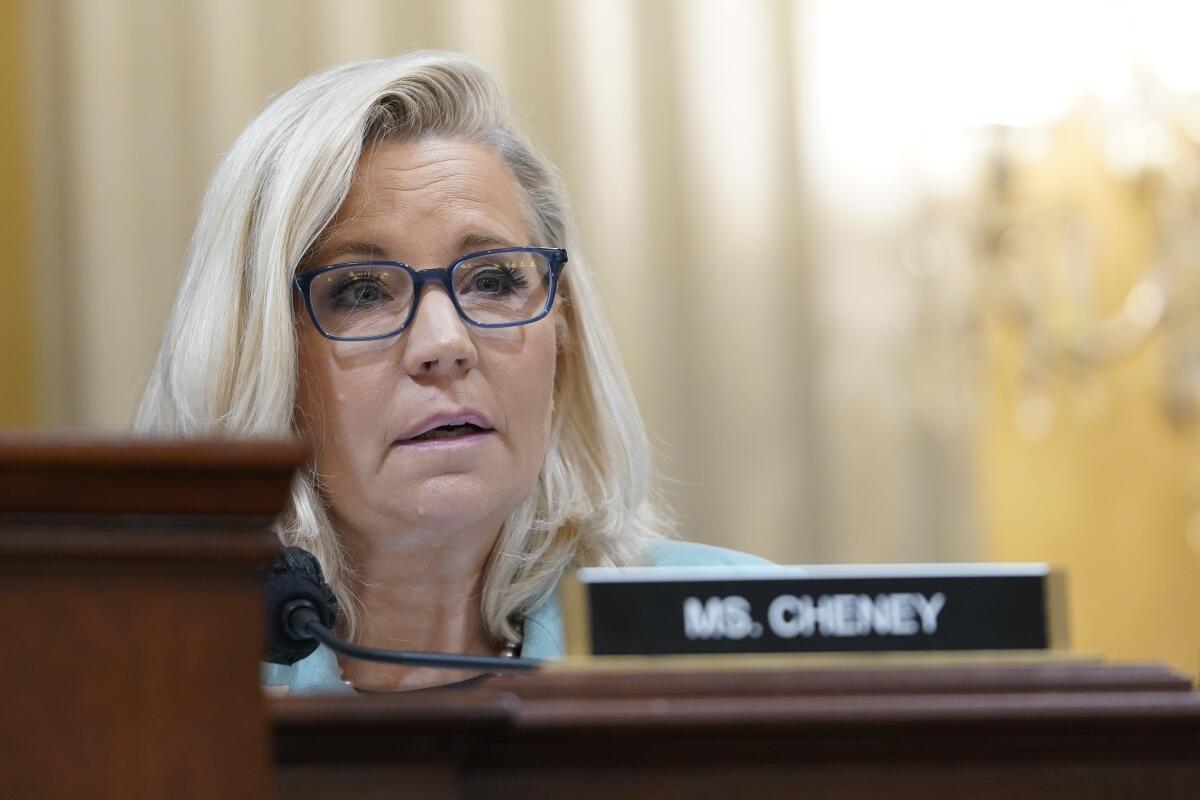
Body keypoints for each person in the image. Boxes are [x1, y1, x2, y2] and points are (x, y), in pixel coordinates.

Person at [137, 51, 768, 694]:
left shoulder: (743, 635)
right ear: (256, 355)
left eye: (493, 280)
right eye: (360, 291)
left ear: (565, 338)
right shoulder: (156, 682)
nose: (445, 344)